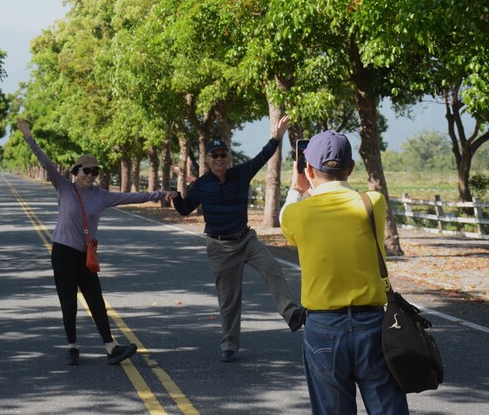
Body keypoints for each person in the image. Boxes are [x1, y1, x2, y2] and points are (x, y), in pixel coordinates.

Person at [17, 118, 178, 366]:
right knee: (69, 302)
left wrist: (160, 194)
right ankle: (72, 347)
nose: (91, 176)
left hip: (86, 255)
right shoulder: (63, 187)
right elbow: (45, 161)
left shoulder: (101, 196)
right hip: (62, 252)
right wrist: (29, 138)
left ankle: (111, 347)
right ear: (76, 171)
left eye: (95, 172)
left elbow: (132, 197)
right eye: (87, 171)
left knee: (96, 301)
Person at [279, 130, 409, 414]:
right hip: (373, 324)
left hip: (323, 326)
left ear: (308, 170)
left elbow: (285, 216)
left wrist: (297, 189)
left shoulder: (298, 214)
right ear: (351, 168)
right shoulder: (373, 202)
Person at [172, 116, 305, 363]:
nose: (219, 159)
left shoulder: (241, 174)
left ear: (228, 157)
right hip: (220, 247)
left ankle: (292, 314)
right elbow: (185, 209)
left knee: (272, 268)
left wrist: (277, 137)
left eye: (223, 155)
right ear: (207, 160)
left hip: (246, 240)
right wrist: (175, 198)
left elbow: (262, 157)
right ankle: (230, 344)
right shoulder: (201, 185)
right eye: (214, 156)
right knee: (229, 299)